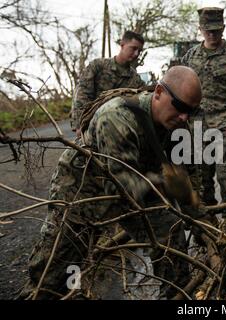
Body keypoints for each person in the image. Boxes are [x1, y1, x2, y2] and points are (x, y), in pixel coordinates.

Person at [21, 66, 202, 299]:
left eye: (191, 111)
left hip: (142, 185)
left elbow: (189, 179)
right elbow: (122, 185)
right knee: (54, 275)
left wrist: (202, 222)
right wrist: (167, 184)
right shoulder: (117, 116)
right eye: (180, 107)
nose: (185, 117)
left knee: (170, 232)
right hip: (83, 192)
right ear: (158, 92)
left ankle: (177, 295)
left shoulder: (179, 127)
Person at [181, 7, 226, 236]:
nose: (212, 35)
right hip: (197, 125)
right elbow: (180, 89)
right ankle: (207, 225)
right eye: (207, 30)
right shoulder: (189, 57)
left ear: (223, 28)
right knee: (201, 179)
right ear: (201, 29)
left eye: (216, 30)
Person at [71, 30, 147, 135]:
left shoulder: (136, 79)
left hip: (116, 130)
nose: (136, 54)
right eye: (133, 48)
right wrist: (79, 126)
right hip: (89, 127)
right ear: (122, 44)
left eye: (139, 51)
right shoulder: (98, 66)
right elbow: (82, 94)